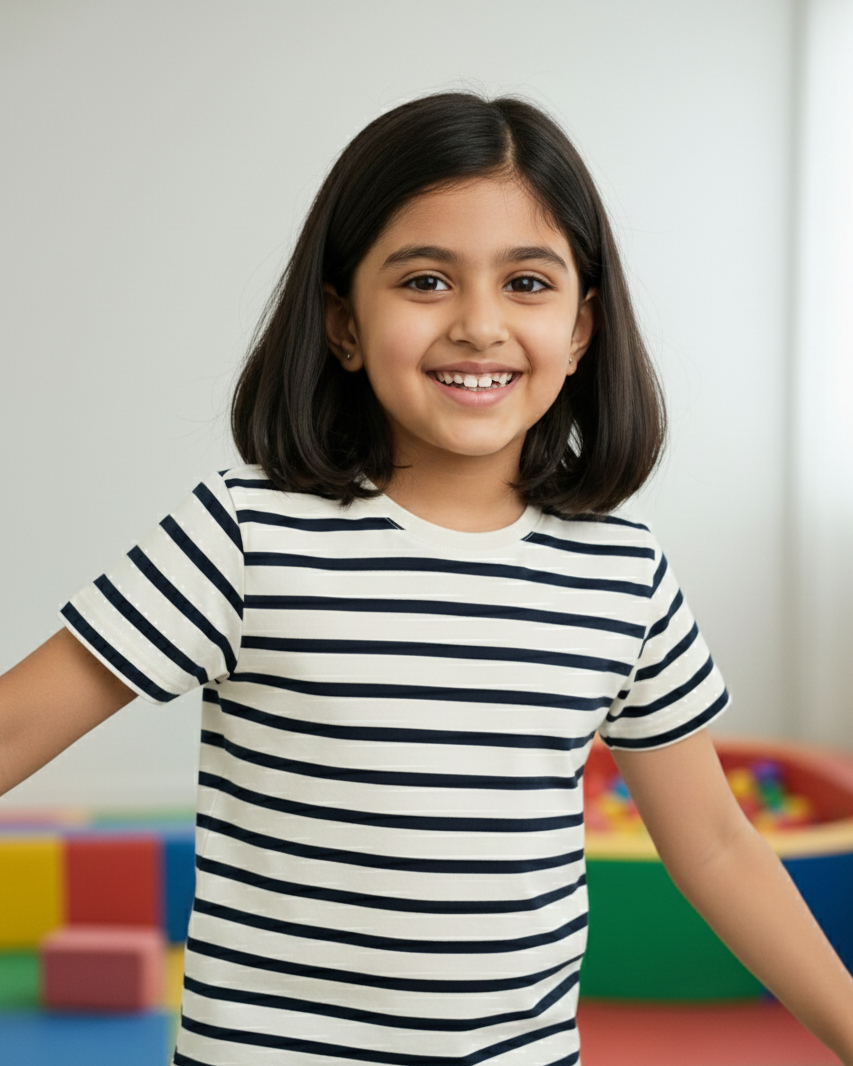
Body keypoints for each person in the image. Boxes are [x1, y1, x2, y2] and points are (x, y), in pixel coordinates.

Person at [1, 91, 852, 1066]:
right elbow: (18, 724)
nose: (479, 325)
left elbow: (712, 844)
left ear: (581, 328)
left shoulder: (623, 573)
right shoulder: (246, 532)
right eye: (425, 281)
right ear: (343, 324)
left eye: (527, 282)